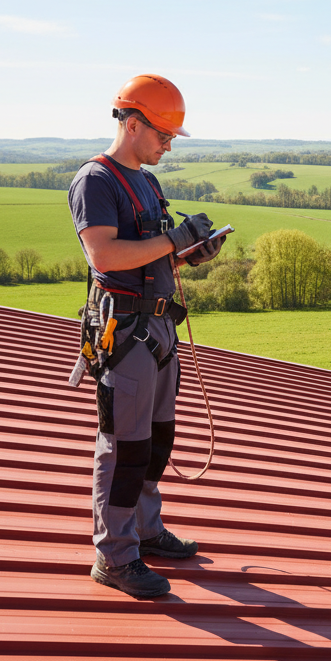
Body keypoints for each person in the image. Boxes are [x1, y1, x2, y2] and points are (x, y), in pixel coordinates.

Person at [68, 74, 224, 599]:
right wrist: (172, 238)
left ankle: (147, 531)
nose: (168, 144)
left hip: (158, 327)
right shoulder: (97, 181)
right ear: (132, 124)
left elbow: (153, 250)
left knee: (156, 441)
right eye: (162, 134)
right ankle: (114, 555)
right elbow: (105, 257)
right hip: (125, 330)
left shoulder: (147, 183)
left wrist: (188, 252)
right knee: (124, 448)